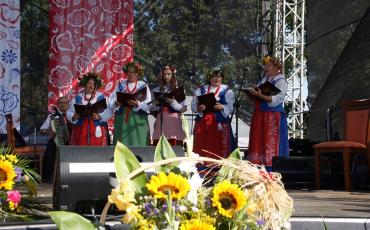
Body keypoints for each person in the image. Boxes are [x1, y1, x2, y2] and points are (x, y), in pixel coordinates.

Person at [247, 56, 289, 171]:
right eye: (266, 66)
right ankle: (259, 169)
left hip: (273, 116)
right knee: (259, 141)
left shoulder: (281, 80)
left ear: (277, 67)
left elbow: (278, 99)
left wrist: (262, 96)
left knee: (271, 143)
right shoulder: (264, 80)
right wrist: (253, 94)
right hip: (260, 114)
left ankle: (273, 170)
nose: (266, 68)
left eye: (269, 65)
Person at [191, 69, 236, 162]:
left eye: (219, 77)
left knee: (220, 146)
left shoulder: (227, 91)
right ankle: (203, 166)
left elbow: (231, 107)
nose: (217, 79)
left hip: (220, 122)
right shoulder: (200, 90)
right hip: (204, 121)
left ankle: (220, 166)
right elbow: (193, 105)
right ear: (210, 78)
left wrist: (222, 106)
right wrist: (199, 108)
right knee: (203, 144)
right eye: (214, 76)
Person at [108, 61, 151, 146]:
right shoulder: (121, 85)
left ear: (137, 74)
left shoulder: (142, 85)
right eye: (129, 72)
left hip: (138, 119)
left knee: (138, 142)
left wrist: (138, 104)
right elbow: (111, 100)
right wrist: (115, 103)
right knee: (123, 143)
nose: (131, 74)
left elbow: (149, 103)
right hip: (122, 119)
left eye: (133, 72)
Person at [67, 72, 111, 146]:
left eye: (94, 84)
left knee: (96, 151)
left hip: (96, 128)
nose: (91, 85)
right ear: (84, 84)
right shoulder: (77, 98)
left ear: (96, 86)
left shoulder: (102, 98)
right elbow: (69, 112)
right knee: (81, 151)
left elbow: (109, 112)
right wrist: (74, 117)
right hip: (81, 129)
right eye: (89, 83)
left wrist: (100, 116)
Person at [150, 65, 187, 146]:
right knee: (159, 142)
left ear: (173, 75)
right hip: (161, 118)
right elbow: (152, 110)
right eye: (164, 74)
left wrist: (173, 102)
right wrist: (155, 104)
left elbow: (184, 109)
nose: (166, 76)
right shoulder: (156, 90)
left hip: (174, 119)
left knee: (174, 143)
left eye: (169, 74)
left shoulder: (179, 89)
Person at [40, 96, 72, 182]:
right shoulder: (52, 116)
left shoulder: (72, 116)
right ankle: (48, 177)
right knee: (51, 147)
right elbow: (42, 130)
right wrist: (48, 131)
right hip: (56, 141)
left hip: (71, 142)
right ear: (57, 105)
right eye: (60, 103)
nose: (63, 105)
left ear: (68, 105)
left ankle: (70, 177)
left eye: (65, 103)